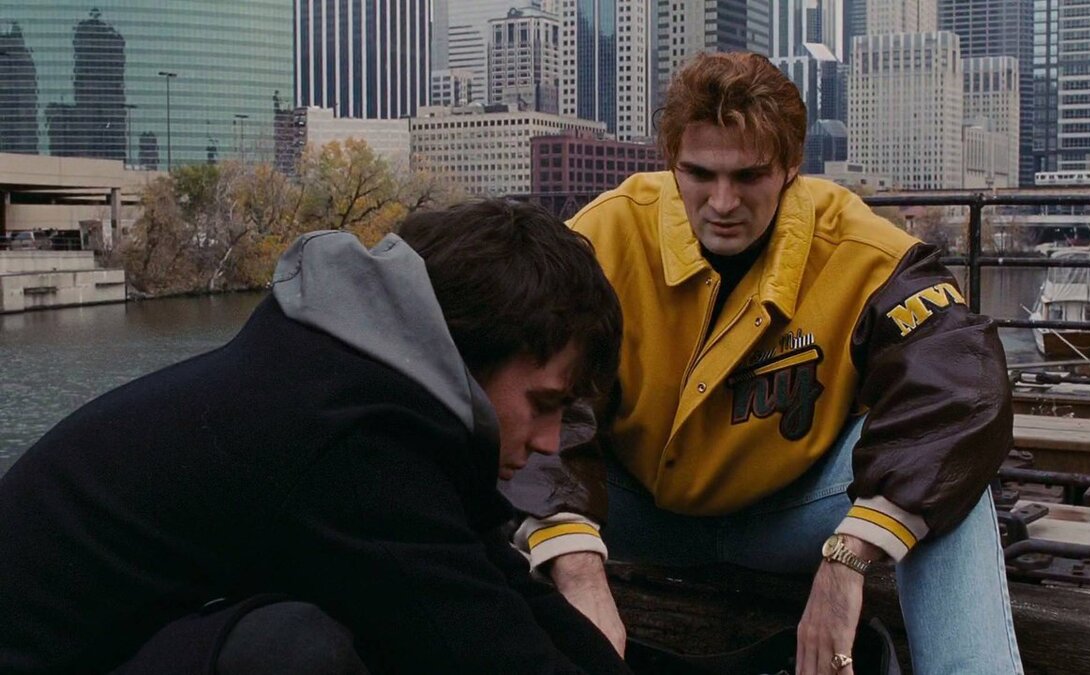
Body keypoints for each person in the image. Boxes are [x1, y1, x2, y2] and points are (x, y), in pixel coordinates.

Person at [506, 52, 1023, 675]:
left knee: (946, 470)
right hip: (634, 512)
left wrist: (849, 557)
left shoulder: (864, 249)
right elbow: (534, 398)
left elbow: (964, 389)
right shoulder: (603, 236)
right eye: (699, 174)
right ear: (671, 163)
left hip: (794, 517)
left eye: (749, 176)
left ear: (790, 167)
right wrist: (576, 568)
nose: (722, 202)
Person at [0, 200, 630, 674]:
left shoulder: (351, 388)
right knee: (296, 649)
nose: (550, 443)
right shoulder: (346, 438)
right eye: (544, 404)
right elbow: (483, 646)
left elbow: (499, 585)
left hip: (142, 639)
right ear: (469, 350)